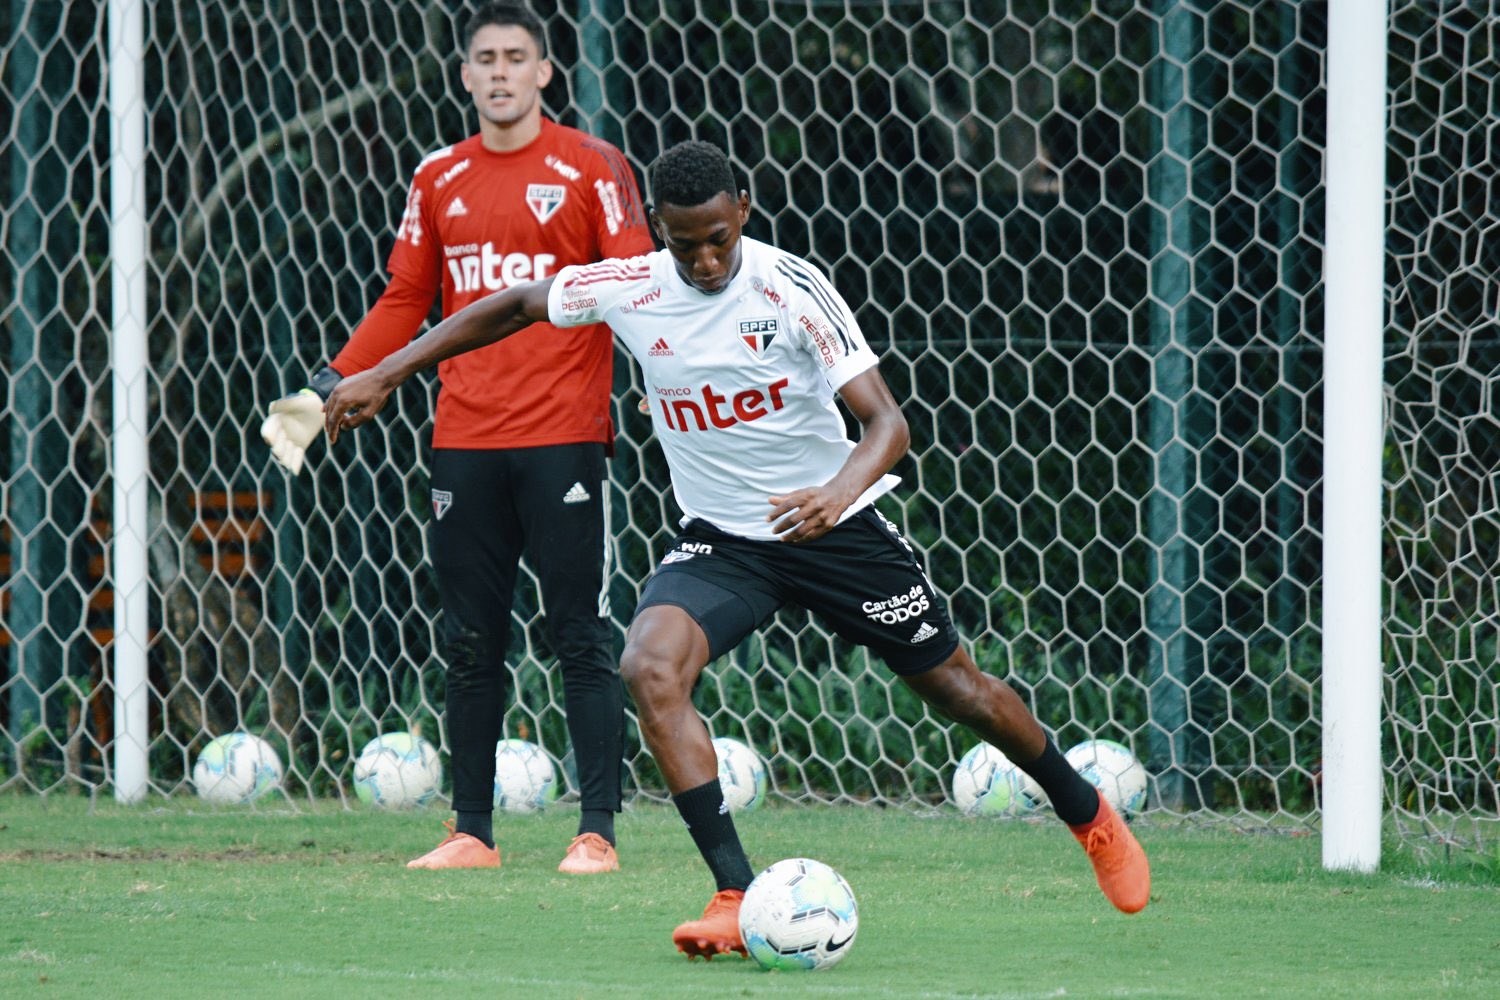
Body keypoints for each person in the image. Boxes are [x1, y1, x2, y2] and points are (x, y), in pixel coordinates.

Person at [321, 140, 1151, 956]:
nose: (707, 260)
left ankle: (1086, 812)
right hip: (723, 542)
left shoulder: (791, 288)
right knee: (649, 667)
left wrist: (836, 493)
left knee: (961, 690)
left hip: (835, 529)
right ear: (657, 229)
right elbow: (509, 306)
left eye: (719, 239)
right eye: (686, 244)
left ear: (742, 213)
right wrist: (390, 372)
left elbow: (887, 423)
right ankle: (733, 892)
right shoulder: (630, 286)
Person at [260, 2, 655, 875]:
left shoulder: (594, 168)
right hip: (463, 440)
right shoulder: (438, 176)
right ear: (466, 75)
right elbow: (406, 299)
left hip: (563, 435)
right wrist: (326, 387)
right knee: (471, 639)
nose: (504, 72)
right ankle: (471, 831)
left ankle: (597, 832)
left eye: (519, 57)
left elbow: (638, 286)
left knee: (578, 633)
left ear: (546, 72)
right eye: (488, 58)